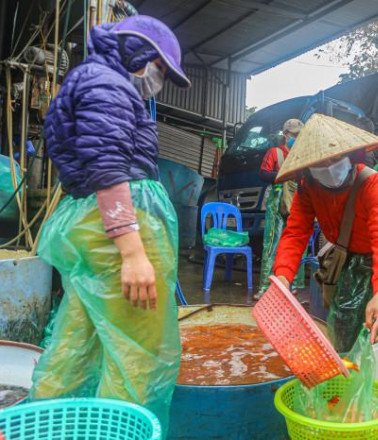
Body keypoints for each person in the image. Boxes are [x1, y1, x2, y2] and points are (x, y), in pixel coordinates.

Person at [29, 16, 190, 433]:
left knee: (76, 342)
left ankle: (43, 422)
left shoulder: (91, 79)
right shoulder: (109, 84)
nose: (159, 81)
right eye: (160, 70)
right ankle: (119, 429)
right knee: (139, 356)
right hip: (120, 226)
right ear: (143, 57)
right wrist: (133, 252)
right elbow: (107, 166)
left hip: (92, 226)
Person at [272, 114, 378, 352]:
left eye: (336, 158)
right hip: (354, 249)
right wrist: (282, 278)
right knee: (343, 317)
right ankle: (344, 373)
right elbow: (295, 232)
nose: (328, 167)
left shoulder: (374, 184)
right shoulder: (308, 187)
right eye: (319, 163)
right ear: (307, 168)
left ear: (351, 156)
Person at [256, 119, 306, 299]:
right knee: (271, 242)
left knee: (296, 242)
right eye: (294, 135)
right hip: (277, 201)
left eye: (300, 135)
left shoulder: (301, 156)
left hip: (296, 201)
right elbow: (263, 174)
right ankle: (265, 286)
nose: (297, 139)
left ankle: (293, 286)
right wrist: (284, 175)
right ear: (285, 135)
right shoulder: (275, 153)